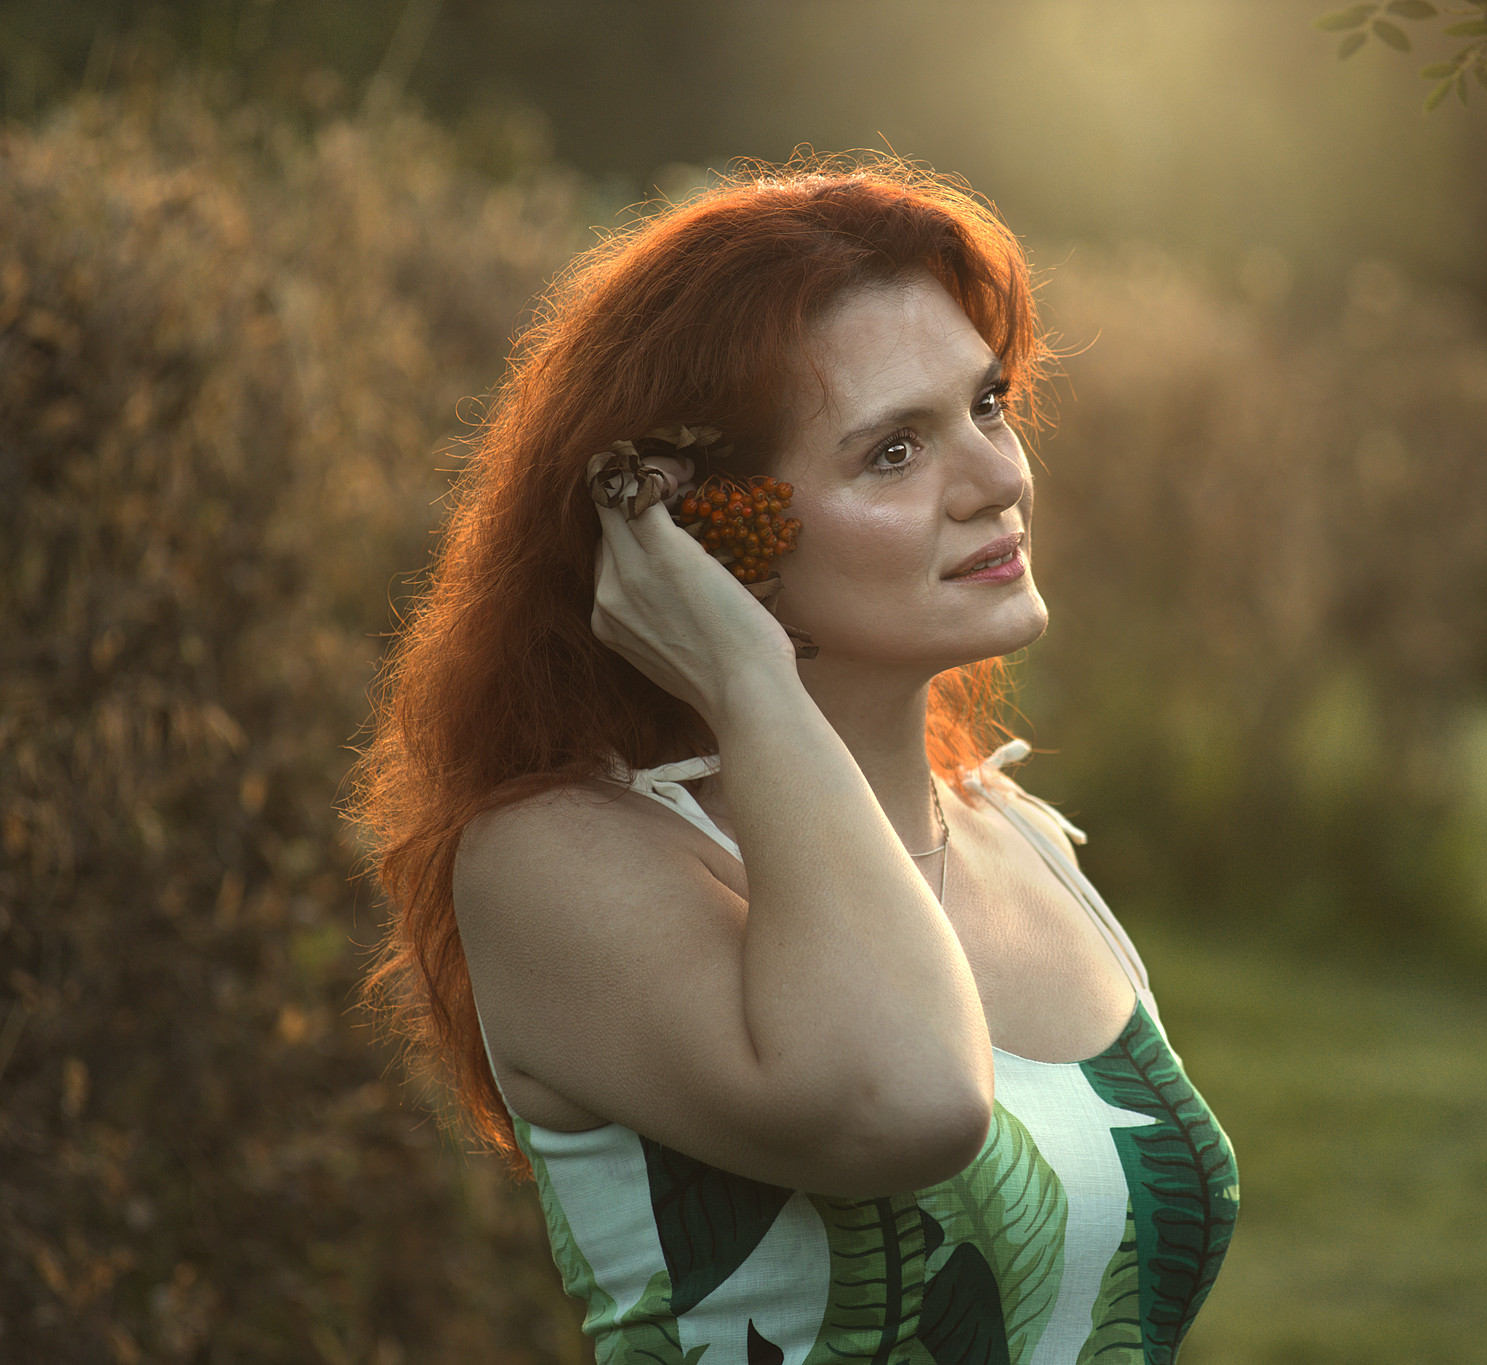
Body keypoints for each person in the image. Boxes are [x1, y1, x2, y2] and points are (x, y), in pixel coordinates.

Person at [349, 156, 1238, 1364]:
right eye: (892, 452)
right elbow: (910, 1103)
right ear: (700, 530)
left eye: (985, 406)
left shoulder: (1016, 832)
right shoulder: (557, 862)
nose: (997, 481)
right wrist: (745, 675)